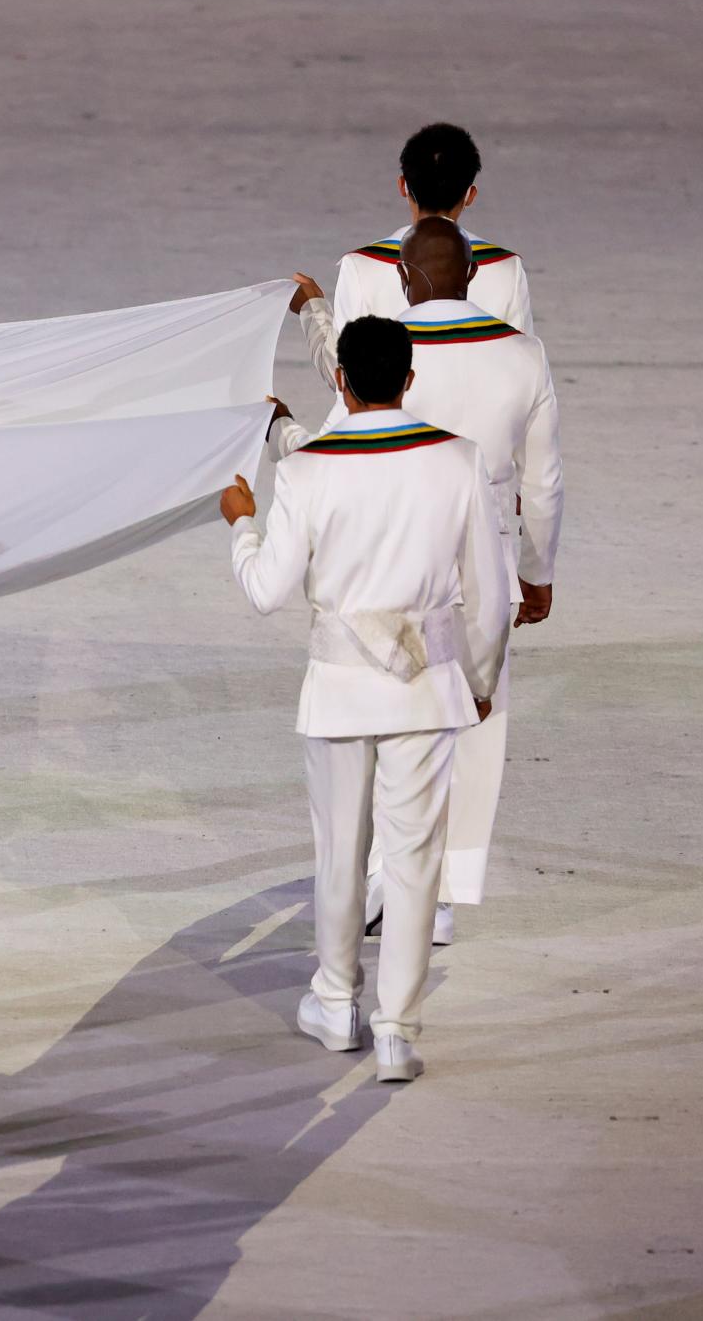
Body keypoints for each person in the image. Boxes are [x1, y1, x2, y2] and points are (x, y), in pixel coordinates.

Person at [220, 317, 510, 1081]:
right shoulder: (459, 459)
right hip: (428, 688)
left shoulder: (311, 468)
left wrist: (241, 521)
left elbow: (265, 591)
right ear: (409, 378)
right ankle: (396, 1031)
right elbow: (490, 598)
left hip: (341, 694)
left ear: (342, 381)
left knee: (339, 855)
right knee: (414, 862)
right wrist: (479, 683)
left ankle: (335, 1001)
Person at [284, 217, 562, 942]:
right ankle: (434, 894)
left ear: (404, 276)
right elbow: (546, 478)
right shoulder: (523, 355)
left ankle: (383, 880)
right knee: (471, 728)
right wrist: (538, 570)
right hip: (486, 557)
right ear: (476, 273)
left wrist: (315, 321)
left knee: (385, 720)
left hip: (396, 559)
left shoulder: (387, 342)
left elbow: (336, 419)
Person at [295, 122, 534, 398]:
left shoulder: (362, 267)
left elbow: (347, 379)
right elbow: (522, 374)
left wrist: (312, 310)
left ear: (403, 186)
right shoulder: (507, 269)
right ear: (470, 195)